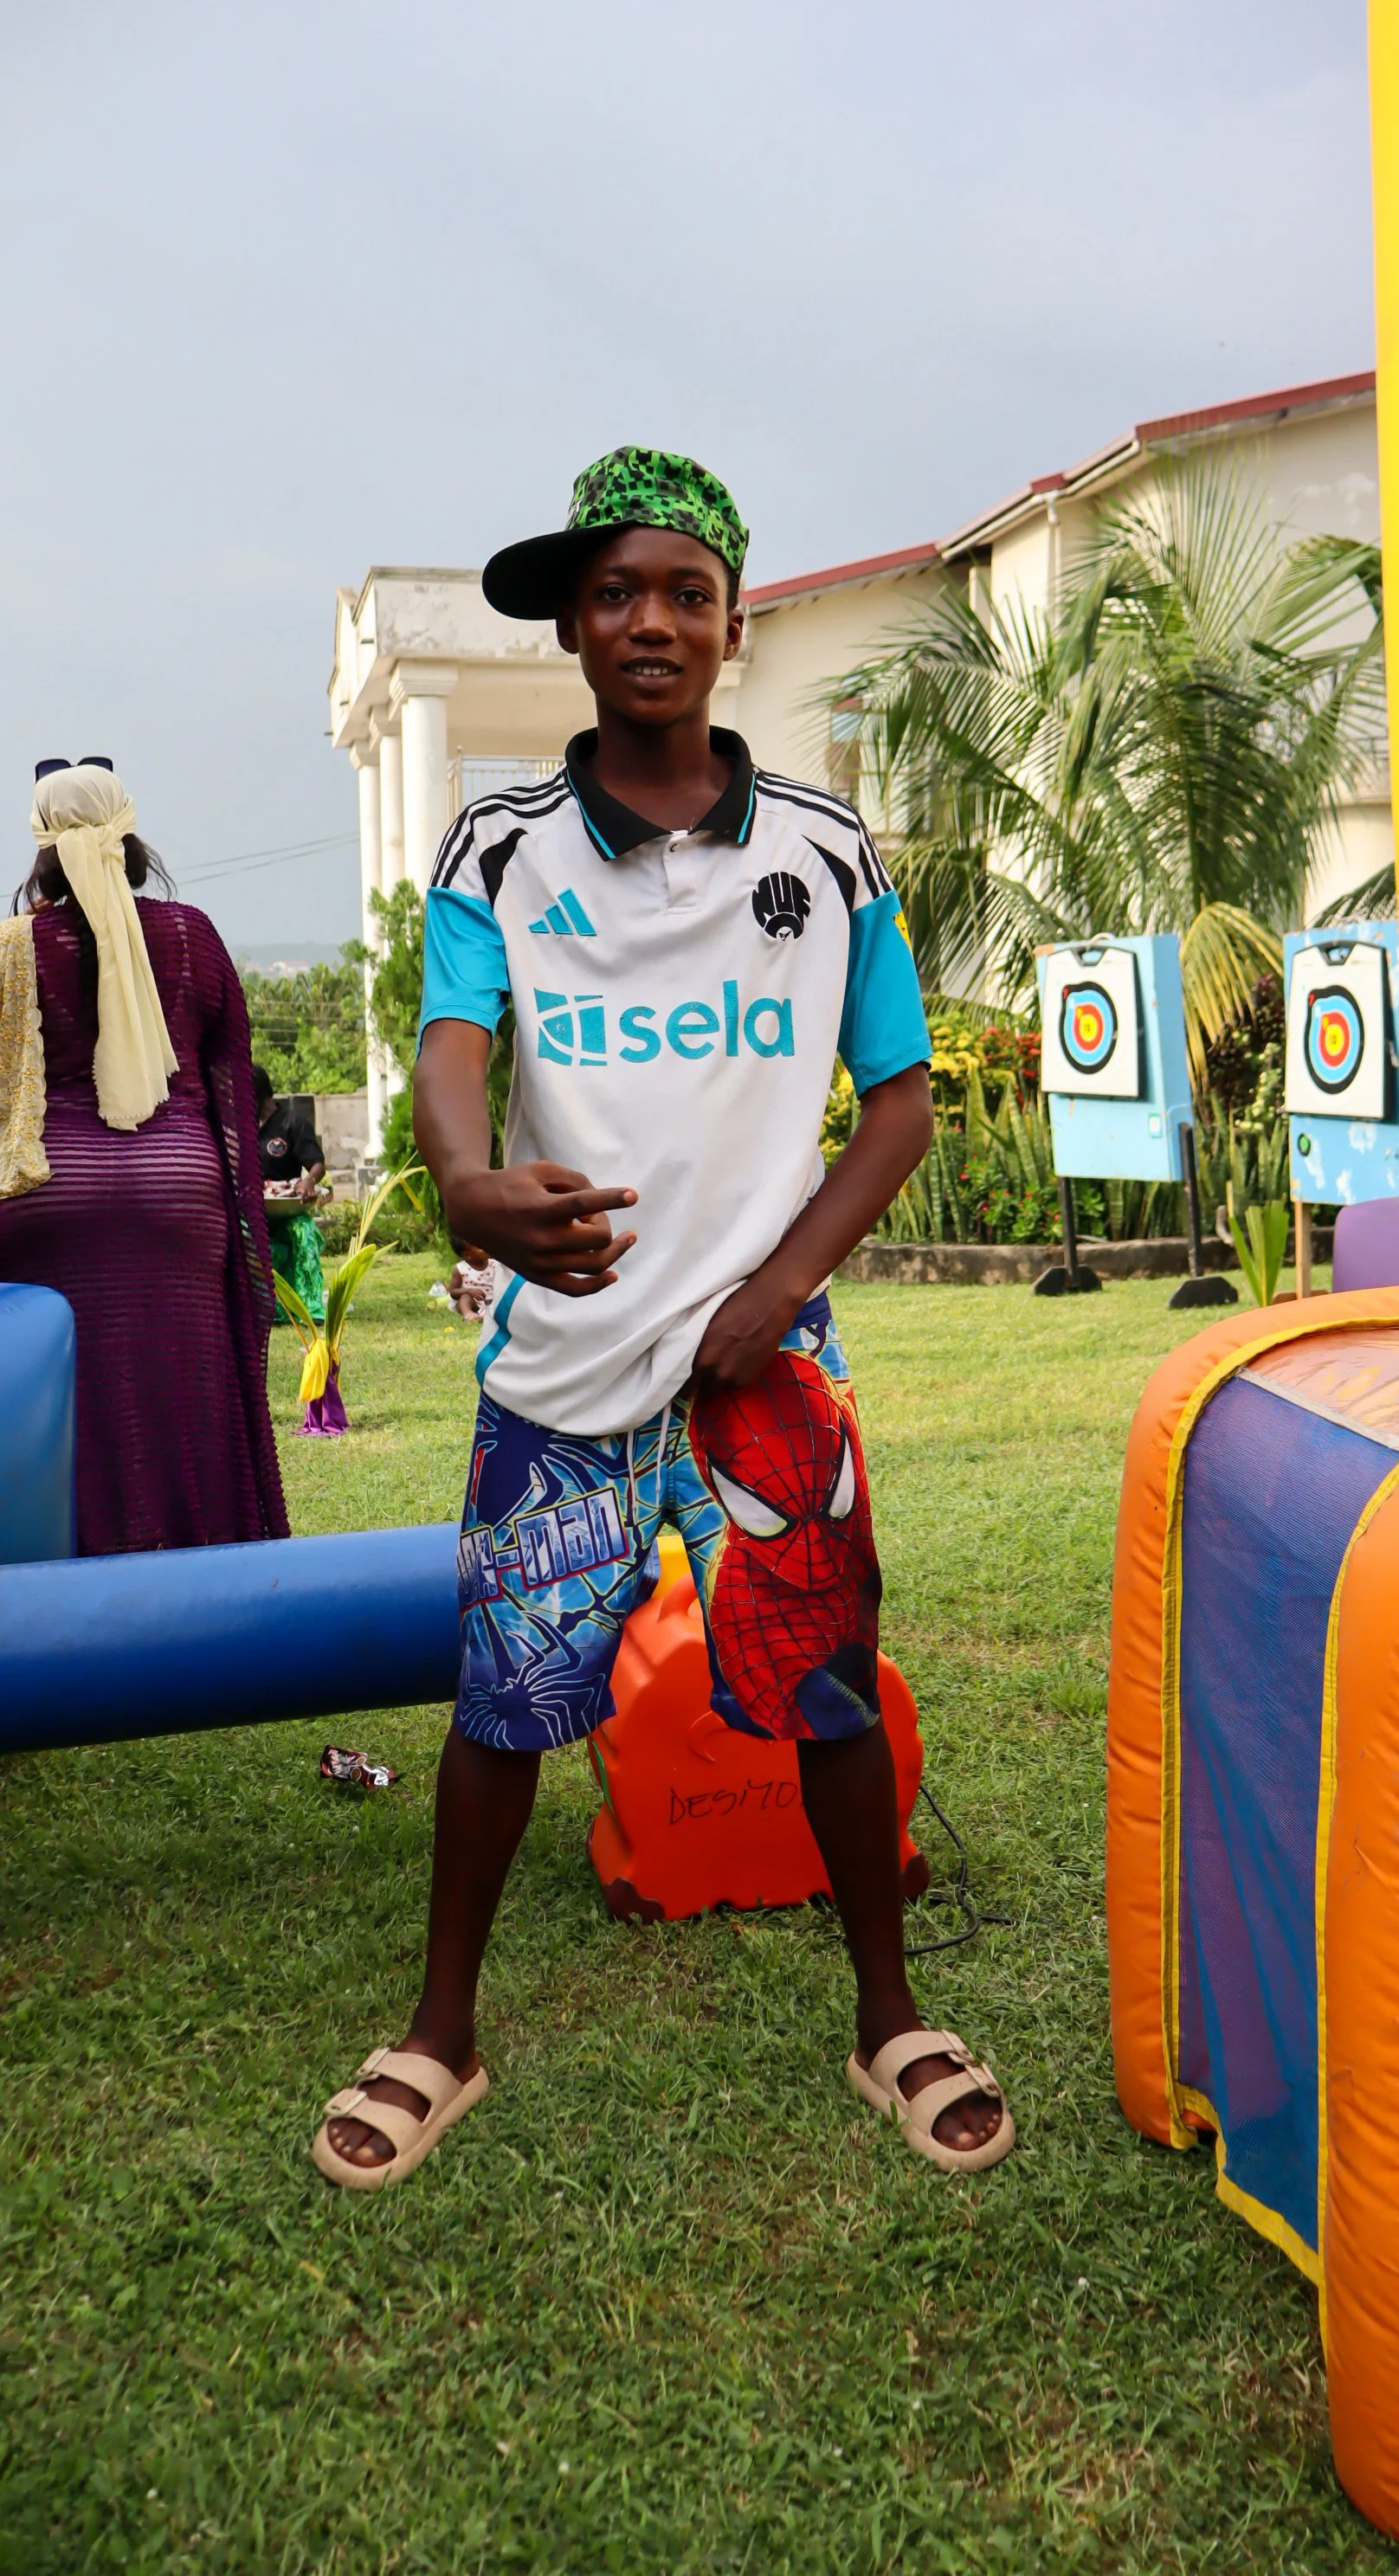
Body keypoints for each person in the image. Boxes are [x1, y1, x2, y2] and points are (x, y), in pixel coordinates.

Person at [314, 447, 1014, 2189]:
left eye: (685, 592)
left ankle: (889, 2019)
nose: (651, 620)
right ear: (572, 624)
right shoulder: (500, 847)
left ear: (731, 623)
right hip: (563, 1371)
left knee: (832, 1685)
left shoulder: (831, 853)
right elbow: (460, 1053)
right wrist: (467, 1180)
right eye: (617, 591)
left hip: (769, 1369)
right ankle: (439, 2033)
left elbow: (904, 1101)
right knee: (502, 1706)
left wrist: (782, 1291)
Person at [0, 758, 287, 1554]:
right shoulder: (190, 934)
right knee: (189, 1405)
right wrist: (228, 1207)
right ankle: (200, 1585)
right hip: (178, 1195)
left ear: (42, 847)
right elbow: (232, 1087)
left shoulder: (11, 948)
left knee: (61, 1407)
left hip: (48, 1204)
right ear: (129, 830)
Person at [252, 1062, 327, 1325]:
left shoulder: (293, 1123)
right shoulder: (240, 1127)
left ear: (256, 1094)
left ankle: (310, 1308)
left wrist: (308, 1181)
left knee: (303, 1232)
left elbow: (317, 1163)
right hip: (251, 1214)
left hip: (286, 1212)